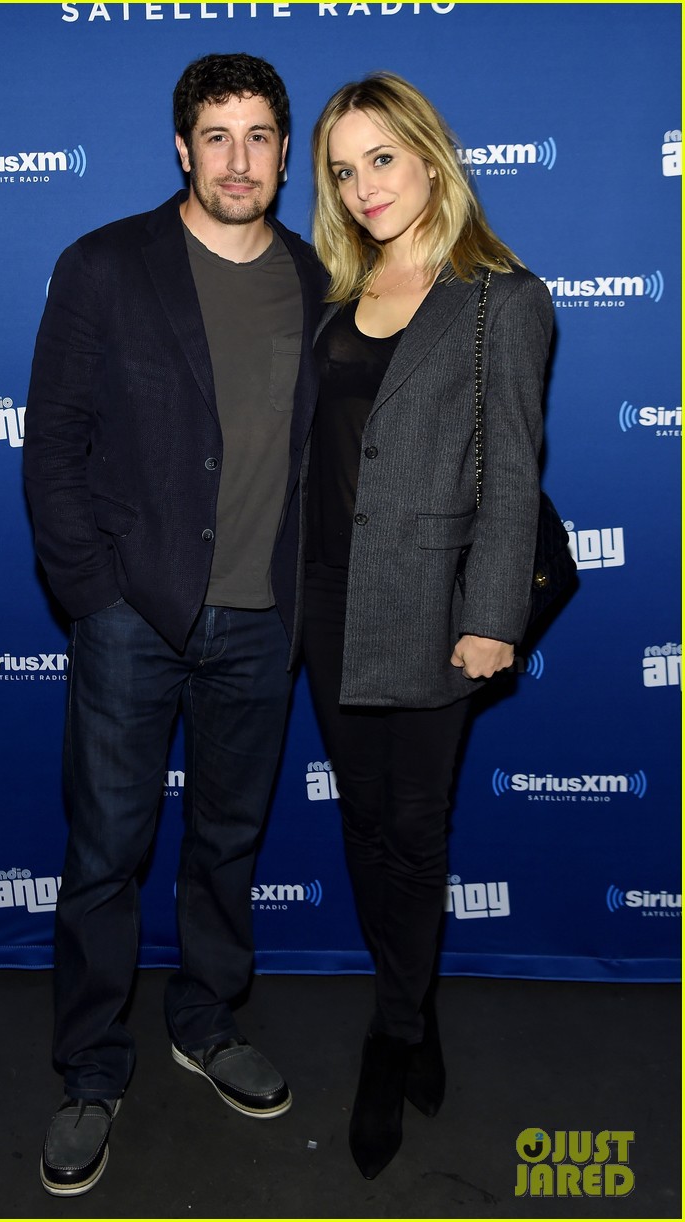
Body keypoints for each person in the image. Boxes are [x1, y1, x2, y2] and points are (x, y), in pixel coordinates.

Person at [23, 52, 325, 1197]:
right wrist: (96, 596)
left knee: (227, 844)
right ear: (181, 148)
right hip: (131, 618)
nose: (238, 158)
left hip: (262, 623)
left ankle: (206, 1020)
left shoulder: (314, 276)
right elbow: (50, 446)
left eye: (259, 136)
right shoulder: (105, 266)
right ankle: (92, 1072)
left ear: (286, 154)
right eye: (217, 135)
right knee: (104, 855)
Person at [302, 72, 553, 1180]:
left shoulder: (501, 297)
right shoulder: (331, 295)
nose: (363, 187)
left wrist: (493, 615)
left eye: (381, 159)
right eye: (343, 170)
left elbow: (512, 477)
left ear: (431, 154)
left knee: (416, 835)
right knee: (365, 829)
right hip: (325, 605)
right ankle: (415, 1003)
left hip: (434, 612)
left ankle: (392, 1033)